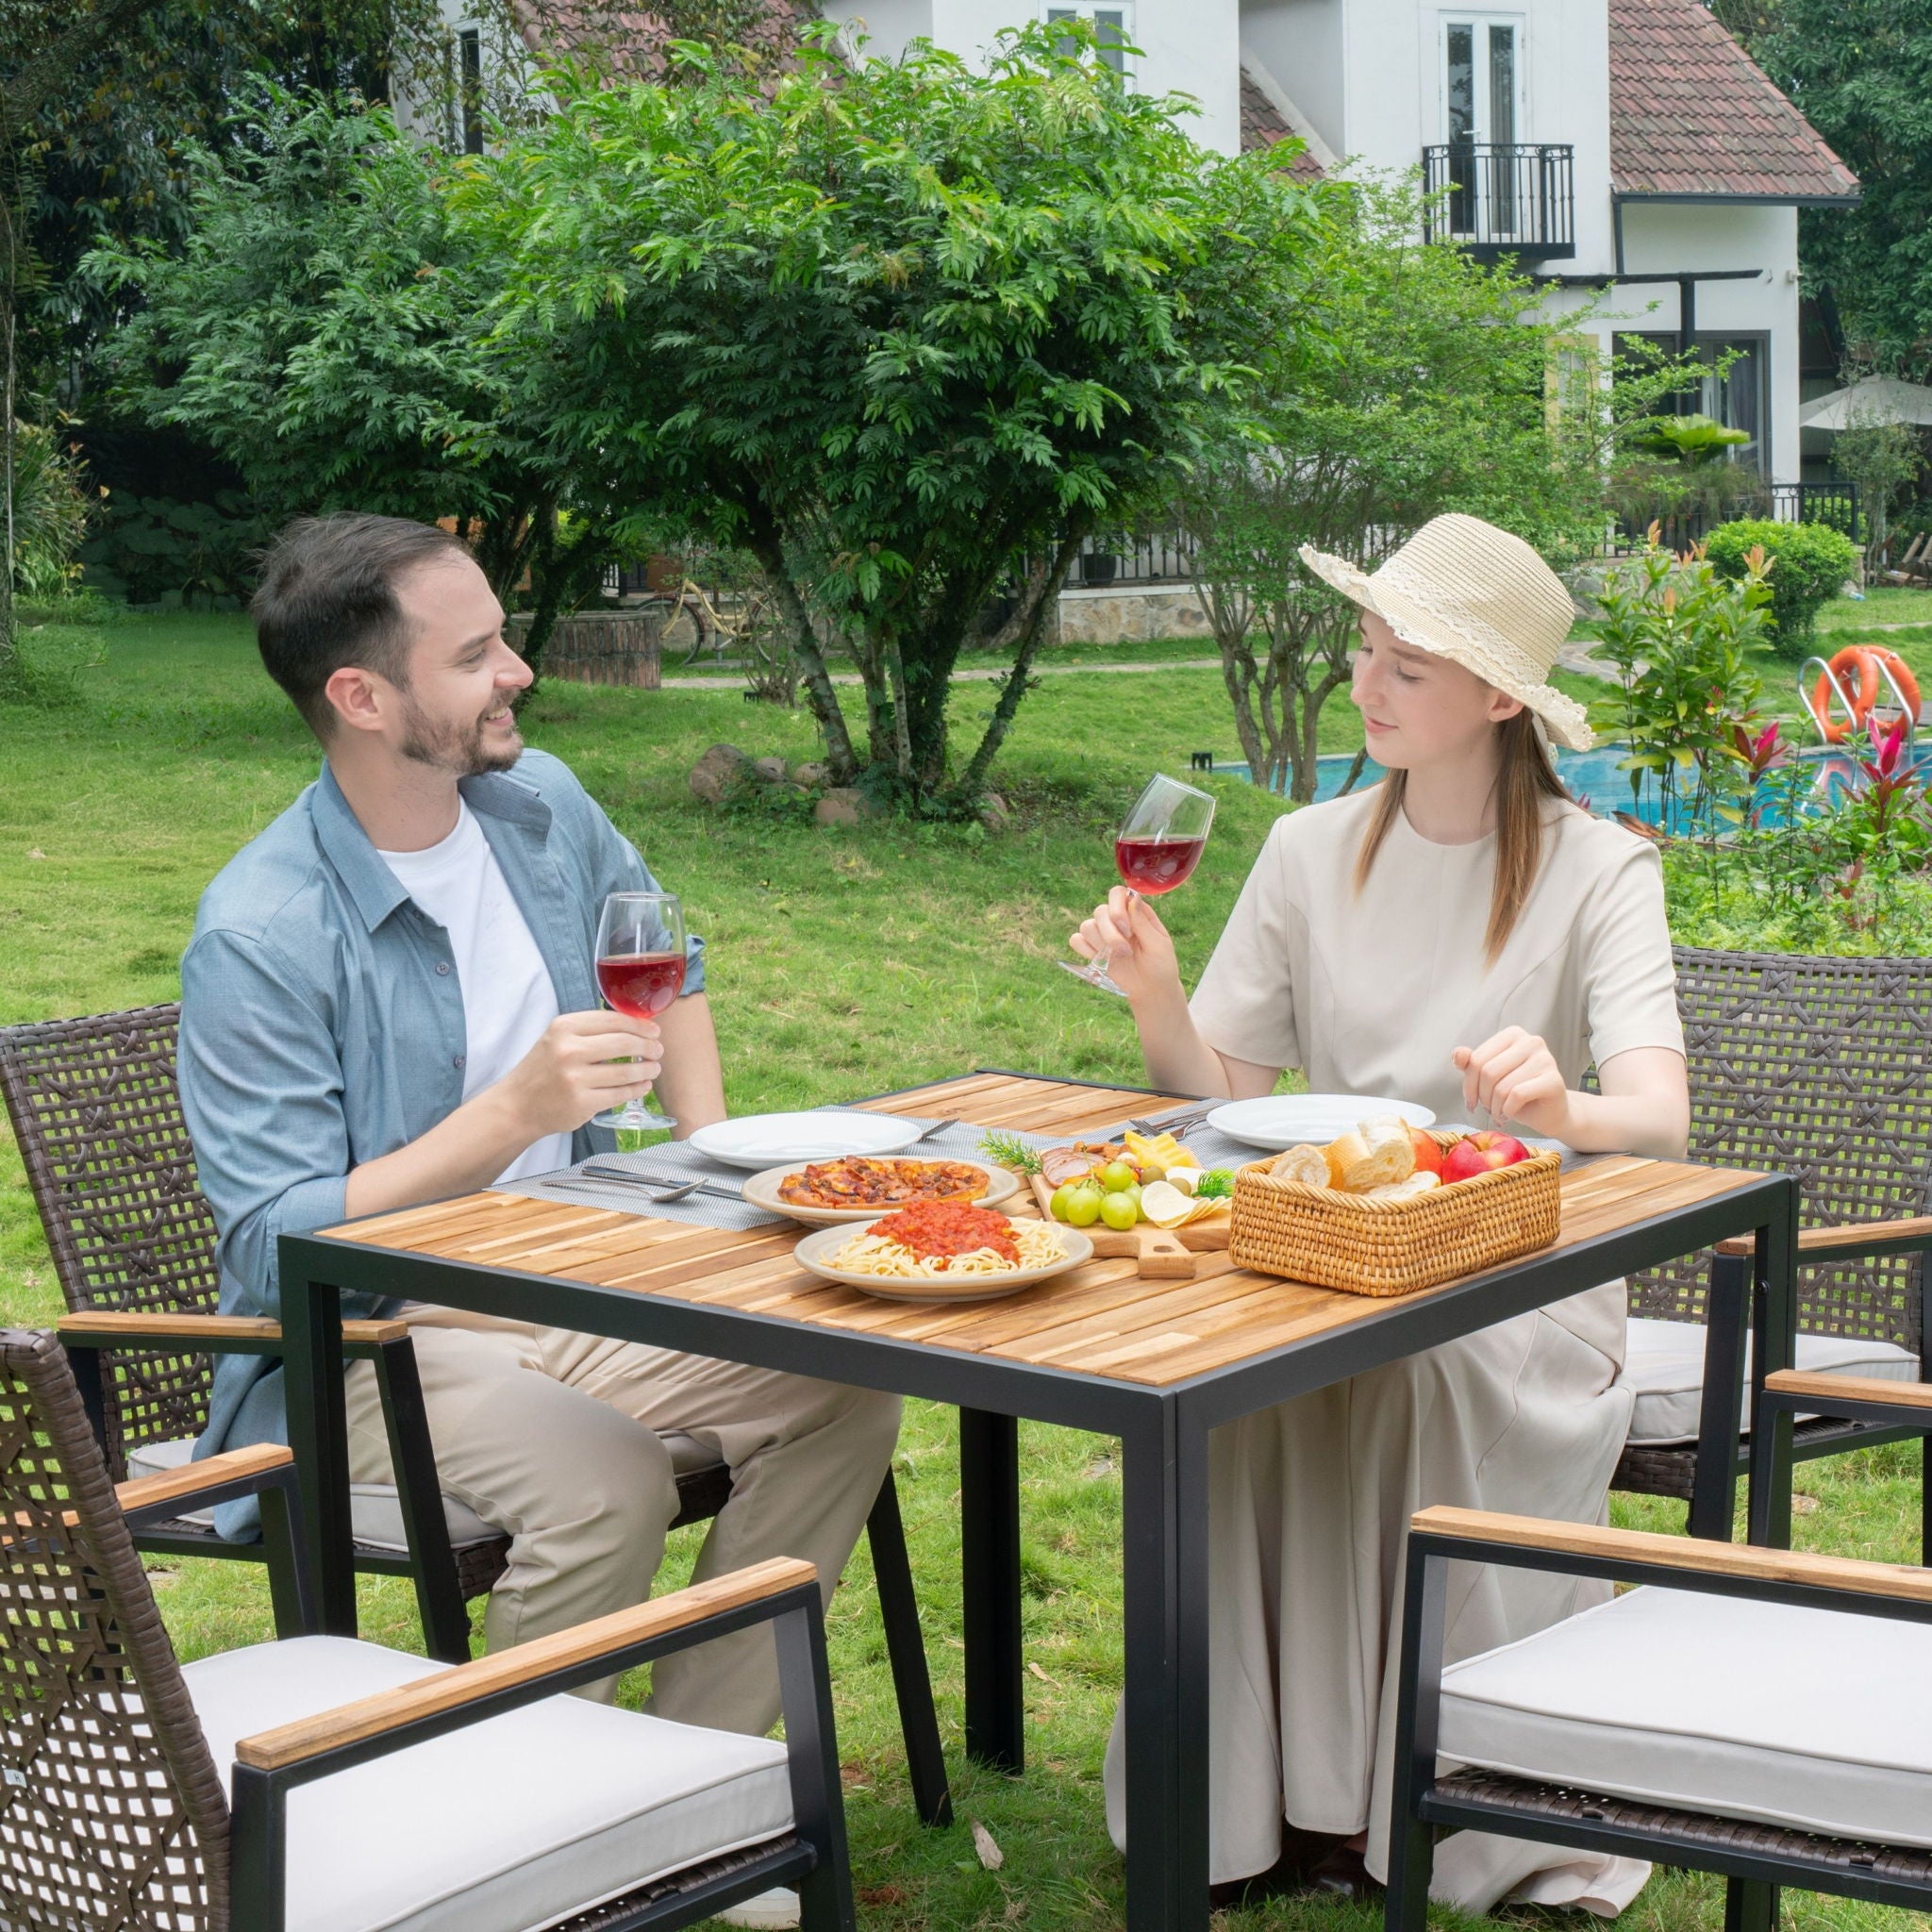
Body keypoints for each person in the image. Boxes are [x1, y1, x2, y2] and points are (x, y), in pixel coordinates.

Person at [180, 515, 900, 1812]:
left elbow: (665, 966)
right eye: (477, 655)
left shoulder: (536, 805)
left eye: (504, 636)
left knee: (844, 1386)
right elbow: (274, 1243)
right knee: (606, 1478)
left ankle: (700, 1791)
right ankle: (516, 1828)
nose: (518, 669)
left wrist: (700, 1161)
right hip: (375, 1346)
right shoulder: (263, 931)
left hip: (581, 1283)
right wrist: (512, 1114)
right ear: (362, 696)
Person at [1072, 513, 1689, 1916]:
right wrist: (1155, 989)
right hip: (1326, 1256)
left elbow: (1657, 1116)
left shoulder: (1601, 869)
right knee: (1215, 1388)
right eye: (1367, 650)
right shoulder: (1309, 846)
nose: (1368, 684)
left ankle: (1412, 1807)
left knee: (1414, 1370)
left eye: (1408, 665)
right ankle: (1249, 1806)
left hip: (1515, 1276)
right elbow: (1221, 1092)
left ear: (1497, 699)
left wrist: (1561, 1107)